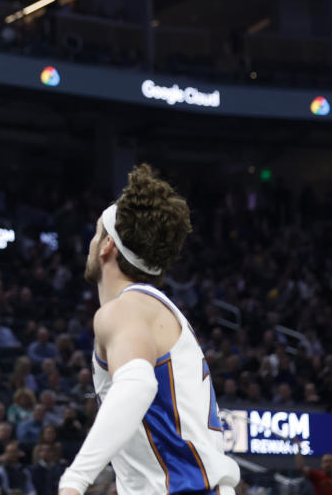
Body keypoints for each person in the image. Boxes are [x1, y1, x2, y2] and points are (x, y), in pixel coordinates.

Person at [58, 165, 240, 495]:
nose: (91, 241)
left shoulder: (124, 310)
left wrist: (74, 481)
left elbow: (137, 384)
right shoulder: (156, 311)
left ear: (107, 246)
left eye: (97, 232)